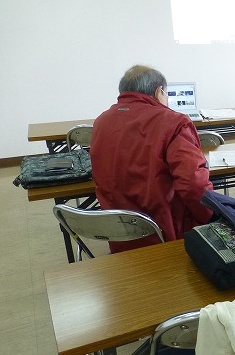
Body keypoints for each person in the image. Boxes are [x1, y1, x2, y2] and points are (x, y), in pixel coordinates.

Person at [90, 65, 214, 253]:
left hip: (119, 234)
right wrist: (212, 215)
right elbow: (192, 183)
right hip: (164, 236)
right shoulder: (174, 122)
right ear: (159, 91)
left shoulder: (101, 121)